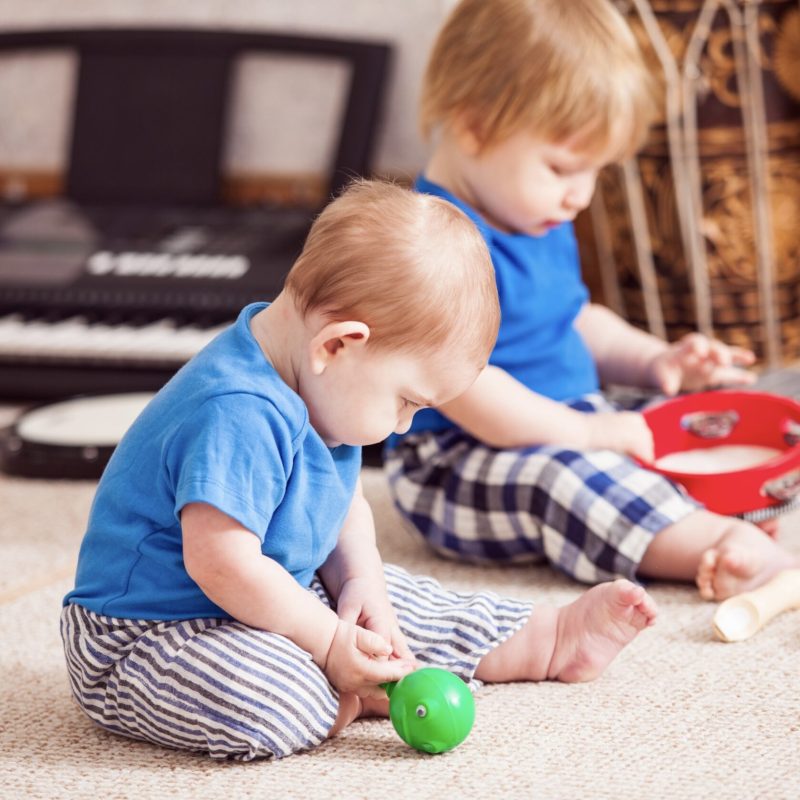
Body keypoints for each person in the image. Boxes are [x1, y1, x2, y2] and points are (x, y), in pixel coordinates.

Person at [60, 180, 657, 762]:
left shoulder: (320, 386)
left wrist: (361, 586)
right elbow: (221, 562)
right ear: (339, 345)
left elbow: (341, 504)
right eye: (406, 402)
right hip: (149, 634)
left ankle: (546, 640)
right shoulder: (237, 410)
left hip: (268, 591)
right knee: (272, 696)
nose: (402, 426)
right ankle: (341, 689)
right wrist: (325, 643)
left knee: (399, 605)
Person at [384, 0, 799, 603]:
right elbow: (473, 394)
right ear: (473, 125)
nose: (580, 195)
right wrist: (591, 432)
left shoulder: (535, 216)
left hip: (565, 412)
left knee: (696, 415)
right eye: (561, 167)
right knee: (568, 478)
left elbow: (575, 318)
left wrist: (657, 360)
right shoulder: (432, 244)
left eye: (595, 172)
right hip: (455, 459)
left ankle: (711, 504)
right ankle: (709, 545)